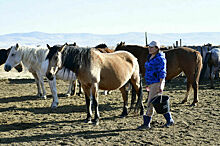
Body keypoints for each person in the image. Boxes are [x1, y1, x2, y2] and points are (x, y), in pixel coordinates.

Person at [138, 40, 174, 130]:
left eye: (151, 47)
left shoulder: (160, 58)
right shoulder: (150, 56)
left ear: (157, 48)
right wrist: (148, 84)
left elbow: (162, 72)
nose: (149, 49)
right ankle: (169, 120)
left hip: (157, 82)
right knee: (156, 103)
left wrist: (161, 85)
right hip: (151, 83)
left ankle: (147, 124)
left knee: (150, 102)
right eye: (149, 47)